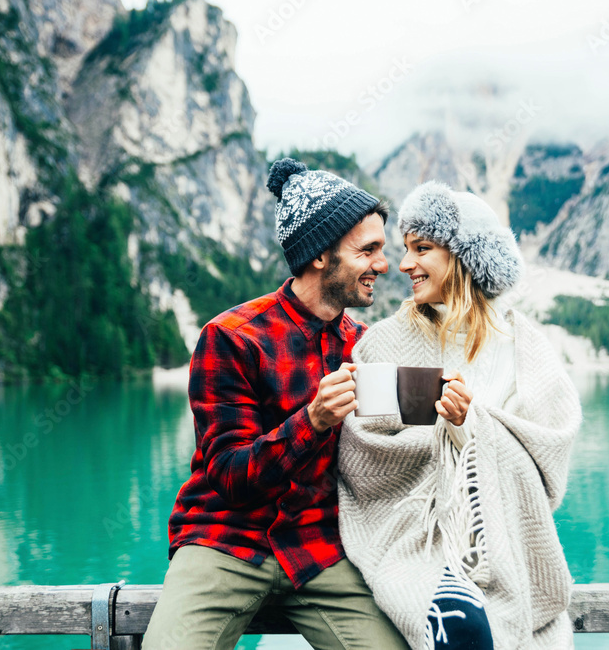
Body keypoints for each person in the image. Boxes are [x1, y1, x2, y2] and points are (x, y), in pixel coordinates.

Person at [143, 158, 408, 650]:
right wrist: (313, 420)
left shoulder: (366, 344)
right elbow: (229, 477)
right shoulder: (230, 338)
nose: (383, 264)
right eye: (367, 250)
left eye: (383, 249)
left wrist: (450, 413)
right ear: (319, 256)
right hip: (224, 540)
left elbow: (394, 455)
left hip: (320, 548)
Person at [337, 181, 581, 649]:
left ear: (465, 255)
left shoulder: (524, 349)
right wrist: (448, 432)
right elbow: (362, 456)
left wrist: (473, 424)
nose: (404, 264)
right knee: (465, 625)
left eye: (422, 248)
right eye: (405, 249)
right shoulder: (386, 343)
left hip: (514, 548)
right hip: (419, 541)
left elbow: (549, 456)